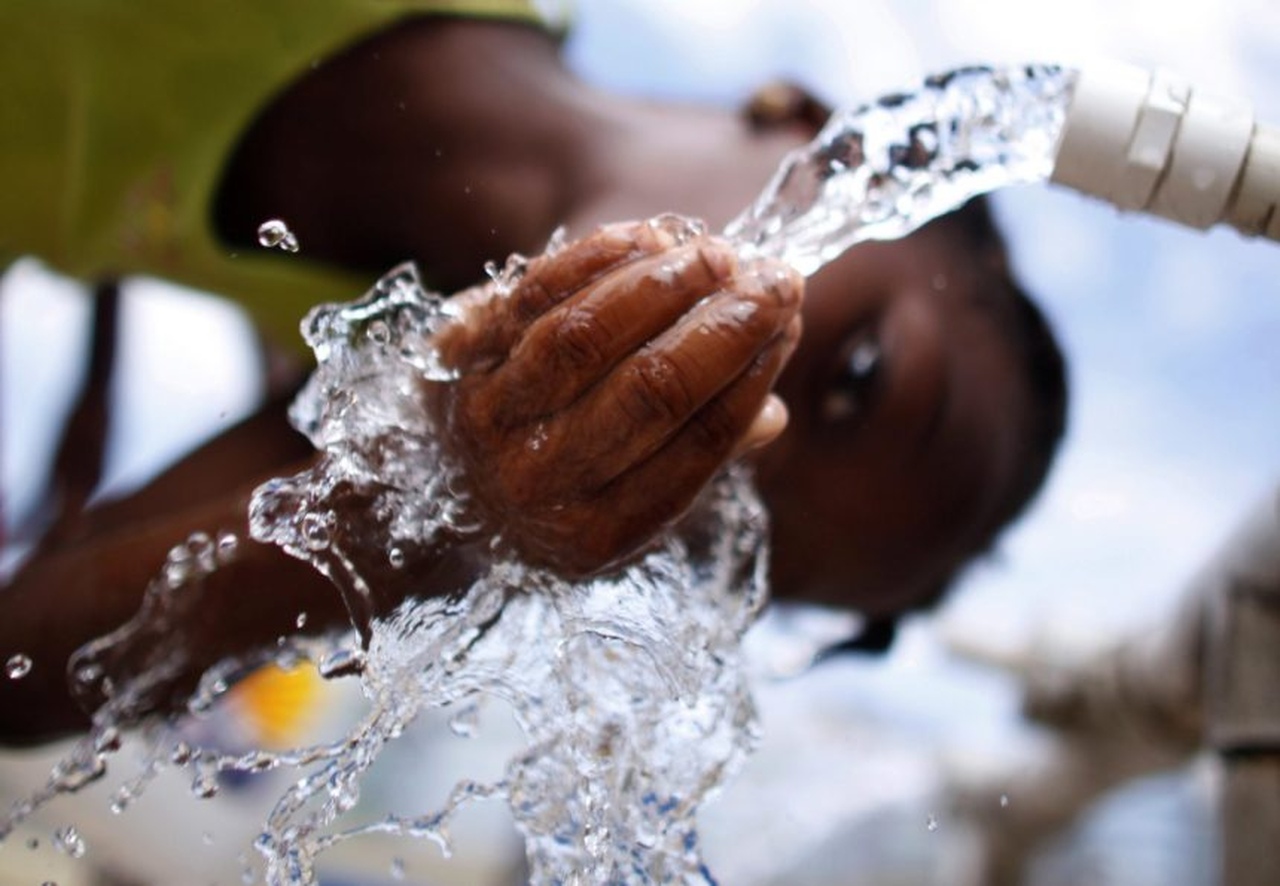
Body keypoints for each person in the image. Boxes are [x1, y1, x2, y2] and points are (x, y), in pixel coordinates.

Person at [0, 6, 1067, 743]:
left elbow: (22, 660)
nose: (731, 428)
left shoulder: (381, 387)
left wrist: (435, 512)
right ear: (829, 139)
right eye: (858, 375)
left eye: (714, 532)